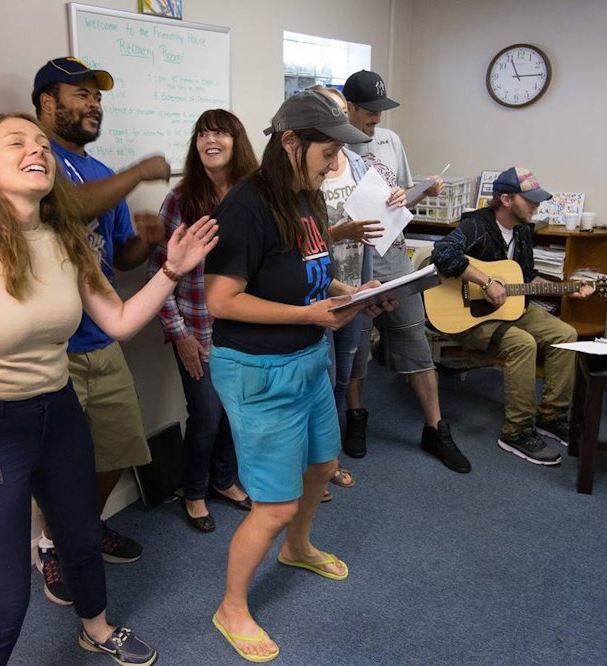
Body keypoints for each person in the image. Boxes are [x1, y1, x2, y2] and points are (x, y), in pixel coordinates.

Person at [0, 112, 217, 665]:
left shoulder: (65, 238)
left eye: (42, 145)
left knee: (81, 538)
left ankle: (96, 629)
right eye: (16, 142)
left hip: (58, 411)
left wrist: (169, 271)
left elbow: (118, 321)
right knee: (3, 606)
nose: (37, 150)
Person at [203, 89, 392, 662]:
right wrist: (311, 314)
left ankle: (298, 549)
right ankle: (230, 607)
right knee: (275, 504)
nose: (334, 164)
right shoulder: (247, 205)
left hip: (310, 355)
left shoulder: (306, 200)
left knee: (322, 467)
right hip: (260, 370)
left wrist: (348, 294)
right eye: (328, 152)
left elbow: (305, 274)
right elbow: (221, 300)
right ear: (290, 142)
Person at [31, 57, 173, 603]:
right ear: (47, 101)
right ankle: (51, 545)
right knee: (53, 461)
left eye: (98, 96)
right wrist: (138, 173)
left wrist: (150, 240)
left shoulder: (99, 170)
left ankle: (81, 531)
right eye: (81, 94)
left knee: (118, 447)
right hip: (53, 349)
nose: (94, 104)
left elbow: (117, 256)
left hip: (103, 338)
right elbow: (63, 211)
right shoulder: (37, 160)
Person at [342, 69, 471, 474]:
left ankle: (435, 427)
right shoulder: (332, 145)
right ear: (349, 106)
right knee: (356, 349)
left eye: (381, 110)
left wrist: (418, 191)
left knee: (414, 337)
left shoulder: (390, 141)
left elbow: (402, 192)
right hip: (353, 260)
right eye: (369, 111)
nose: (376, 119)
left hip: (394, 256)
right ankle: (356, 418)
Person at [431, 167, 594, 465]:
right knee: (523, 344)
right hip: (471, 316)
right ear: (505, 199)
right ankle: (516, 431)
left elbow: (526, 279)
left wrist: (565, 289)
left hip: (512, 308)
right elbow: (442, 252)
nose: (536, 205)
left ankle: (551, 416)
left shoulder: (522, 231)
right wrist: (486, 282)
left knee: (566, 335)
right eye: (529, 199)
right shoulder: (476, 225)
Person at [147, 109, 257, 532]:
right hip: (197, 330)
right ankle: (194, 491)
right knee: (207, 415)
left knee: (235, 412)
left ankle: (224, 481)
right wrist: (179, 335)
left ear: (237, 141)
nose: (211, 140)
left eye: (221, 133)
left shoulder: (254, 195)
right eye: (203, 134)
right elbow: (158, 273)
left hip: (245, 327)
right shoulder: (180, 199)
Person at [311, 84, 406, 495]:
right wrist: (340, 231)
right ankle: (313, 465)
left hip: (354, 286)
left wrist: (395, 199)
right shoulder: (300, 173)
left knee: (342, 377)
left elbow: (376, 216)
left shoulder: (354, 161)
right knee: (320, 379)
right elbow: (298, 243)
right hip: (316, 293)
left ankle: (327, 460)